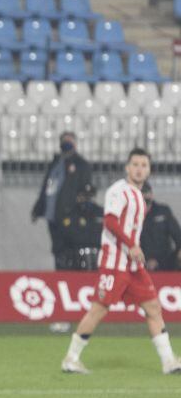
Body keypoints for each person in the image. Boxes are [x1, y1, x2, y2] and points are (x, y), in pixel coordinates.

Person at [62, 148, 181, 374]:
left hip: (132, 265)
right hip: (114, 262)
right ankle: (71, 358)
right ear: (127, 167)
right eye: (135, 164)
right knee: (99, 308)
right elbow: (110, 222)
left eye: (143, 165)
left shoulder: (138, 193)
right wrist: (132, 245)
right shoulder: (119, 191)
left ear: (149, 170)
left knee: (153, 307)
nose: (139, 169)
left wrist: (134, 249)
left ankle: (168, 362)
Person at [32, 132, 93, 270]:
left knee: (71, 247)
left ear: (75, 143)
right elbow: (46, 187)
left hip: (70, 214)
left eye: (69, 140)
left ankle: (71, 276)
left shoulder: (82, 165)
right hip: (52, 213)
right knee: (57, 248)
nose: (67, 143)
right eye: (64, 140)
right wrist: (38, 207)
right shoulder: (55, 163)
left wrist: (80, 202)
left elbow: (86, 188)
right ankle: (60, 273)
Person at [140, 182, 181, 271]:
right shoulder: (131, 215)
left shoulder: (163, 211)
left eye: (146, 192)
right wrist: (146, 260)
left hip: (165, 261)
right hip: (141, 262)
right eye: (141, 193)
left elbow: (177, 234)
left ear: (151, 194)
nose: (144, 196)